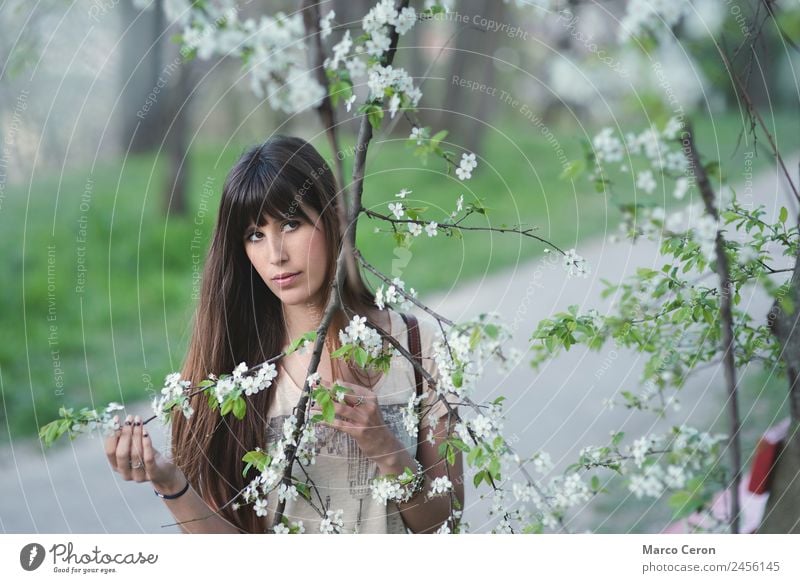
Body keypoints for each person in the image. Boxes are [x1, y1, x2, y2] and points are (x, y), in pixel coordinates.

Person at [104, 135, 464, 533]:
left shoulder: (420, 347)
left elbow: (444, 526)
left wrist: (387, 449)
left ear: (334, 219)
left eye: (291, 224)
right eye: (255, 234)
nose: (276, 253)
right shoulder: (231, 374)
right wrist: (169, 482)